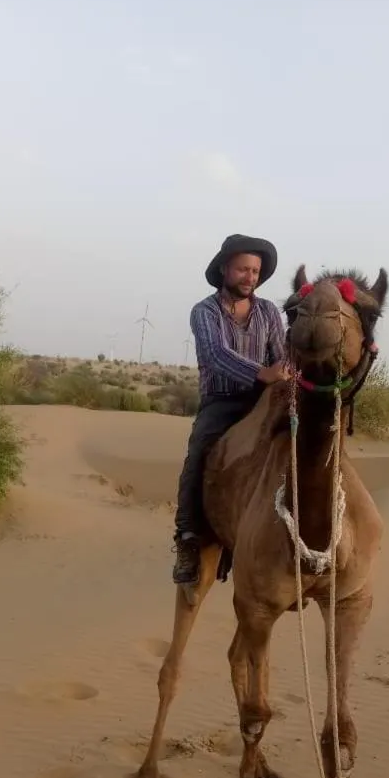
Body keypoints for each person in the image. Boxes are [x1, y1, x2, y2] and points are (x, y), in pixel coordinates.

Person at [172, 233, 290, 586]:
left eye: (255, 271)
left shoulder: (269, 311)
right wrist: (261, 373)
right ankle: (188, 539)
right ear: (225, 269)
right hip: (222, 402)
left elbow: (281, 354)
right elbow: (215, 354)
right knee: (199, 454)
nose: (249, 276)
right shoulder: (204, 311)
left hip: (264, 400)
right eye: (242, 269)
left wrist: (284, 372)